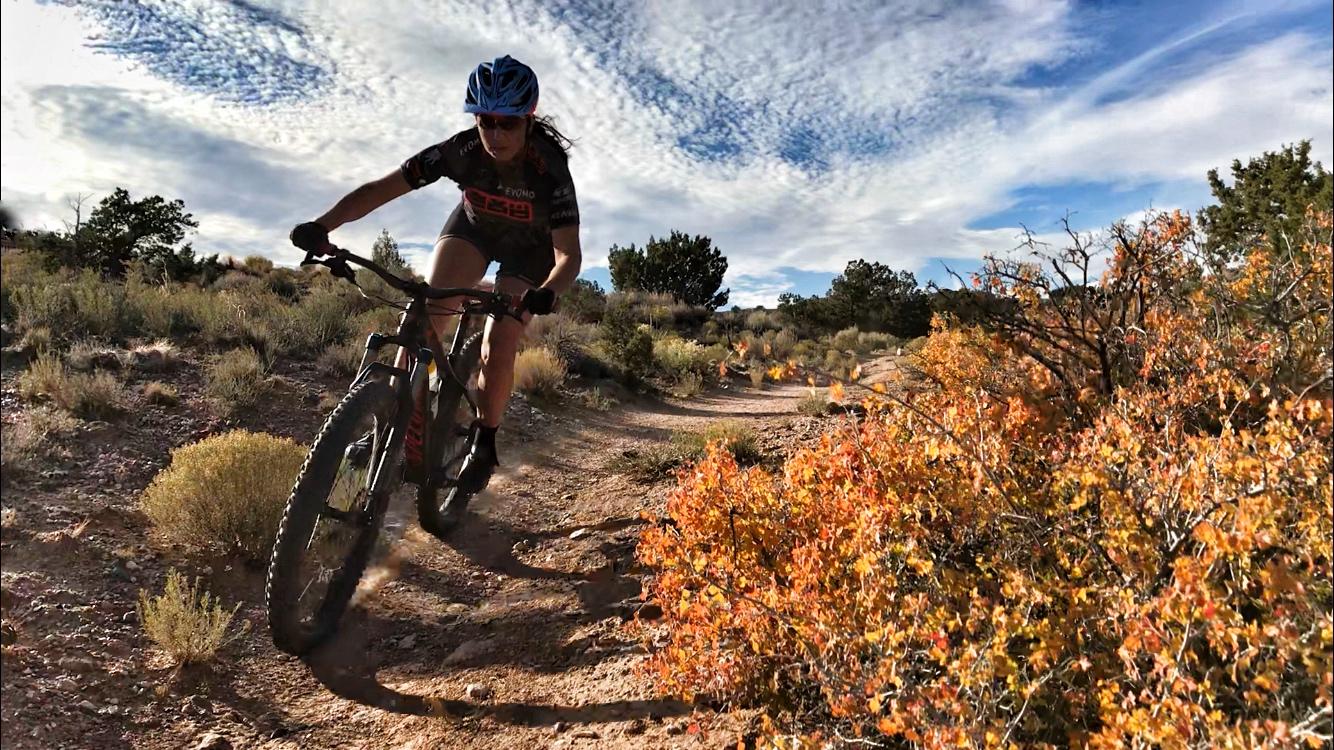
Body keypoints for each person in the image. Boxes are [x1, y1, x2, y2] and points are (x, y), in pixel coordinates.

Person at [289, 54, 581, 514]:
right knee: (422, 318)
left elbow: (568, 254)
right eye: (487, 121)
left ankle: (485, 438)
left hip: (531, 251)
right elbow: (382, 189)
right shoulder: (459, 151)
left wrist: (549, 289)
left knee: (498, 344)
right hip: (475, 230)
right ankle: (392, 419)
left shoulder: (549, 167)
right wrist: (323, 225)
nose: (496, 135)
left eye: (508, 123)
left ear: (527, 120)